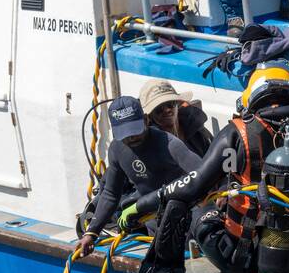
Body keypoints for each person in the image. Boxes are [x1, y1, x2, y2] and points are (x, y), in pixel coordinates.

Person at [119, 67, 289, 273]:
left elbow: (193, 186)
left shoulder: (236, 133)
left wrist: (140, 207)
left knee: (198, 211)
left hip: (239, 260)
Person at [77, 97, 202, 255]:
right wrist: (91, 233)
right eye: (125, 134)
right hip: (153, 222)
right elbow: (110, 194)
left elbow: (203, 174)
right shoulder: (117, 149)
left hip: (185, 219)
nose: (132, 137)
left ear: (145, 119)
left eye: (135, 130)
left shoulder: (169, 144)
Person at [138, 79, 214, 157]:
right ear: (149, 116)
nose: (167, 110)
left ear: (178, 104)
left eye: (170, 104)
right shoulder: (151, 145)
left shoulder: (196, 127)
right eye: (159, 108)